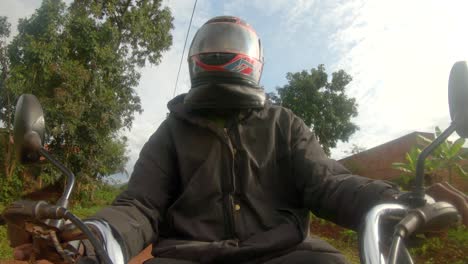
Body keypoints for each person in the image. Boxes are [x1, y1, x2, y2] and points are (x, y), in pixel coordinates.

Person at [9, 16, 468, 264]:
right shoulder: (172, 132)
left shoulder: (283, 124)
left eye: (232, 44)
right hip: (187, 259)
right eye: (213, 43)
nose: (221, 51)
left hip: (286, 254)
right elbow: (140, 206)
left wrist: (395, 200)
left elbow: (327, 182)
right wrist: (96, 236)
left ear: (254, 60)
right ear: (196, 58)